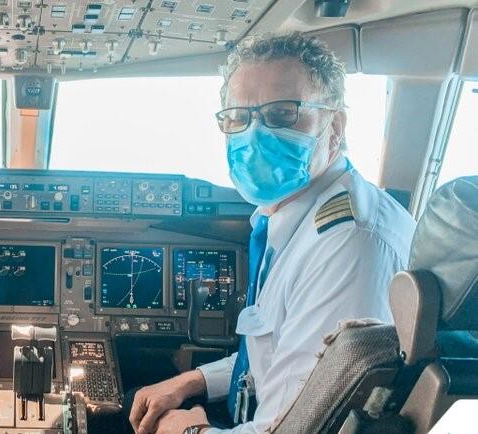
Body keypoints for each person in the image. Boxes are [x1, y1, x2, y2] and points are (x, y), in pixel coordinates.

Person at [127, 32, 417, 434]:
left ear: (335, 125)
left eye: (282, 114)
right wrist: (195, 379)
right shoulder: (292, 218)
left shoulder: (349, 244)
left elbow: (296, 425)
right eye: (238, 117)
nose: (254, 135)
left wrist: (191, 430)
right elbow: (285, 356)